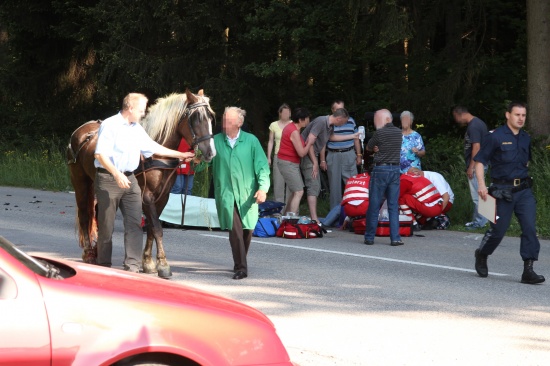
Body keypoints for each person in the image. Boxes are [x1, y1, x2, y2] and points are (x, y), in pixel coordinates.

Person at [94, 93, 194, 272]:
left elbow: (153, 147)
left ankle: (132, 267)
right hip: (109, 179)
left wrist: (182, 155)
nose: (143, 113)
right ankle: (104, 266)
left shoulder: (136, 128)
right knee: (106, 227)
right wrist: (117, 174)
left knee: (134, 225)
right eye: (141, 110)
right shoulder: (110, 125)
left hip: (130, 179)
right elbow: (100, 154)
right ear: (130, 108)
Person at [473, 101, 544, 285]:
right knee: (498, 231)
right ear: (508, 115)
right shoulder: (495, 137)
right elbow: (480, 161)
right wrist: (481, 185)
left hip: (523, 191)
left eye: (523, 115)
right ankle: (482, 254)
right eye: (517, 115)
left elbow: (525, 162)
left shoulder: (526, 138)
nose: (521, 118)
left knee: (529, 228)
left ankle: (528, 270)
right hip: (501, 192)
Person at [210, 106, 270, 280]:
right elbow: (202, 163)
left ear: (239, 123)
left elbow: (262, 167)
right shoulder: (216, 141)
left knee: (247, 230)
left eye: (228, 121)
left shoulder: (251, 141)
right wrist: (198, 158)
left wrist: (262, 188)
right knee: (235, 230)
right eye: (223, 120)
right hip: (226, 194)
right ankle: (241, 267)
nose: (224, 124)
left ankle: (239, 260)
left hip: (247, 194)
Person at [301, 108, 356, 222]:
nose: (343, 124)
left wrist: (353, 136)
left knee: (314, 186)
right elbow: (309, 141)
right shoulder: (321, 122)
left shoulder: (329, 126)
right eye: (344, 122)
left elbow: (332, 138)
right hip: (308, 155)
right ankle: (314, 219)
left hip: (312, 156)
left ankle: (312, 218)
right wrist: (315, 162)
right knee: (313, 186)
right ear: (339, 118)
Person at [363, 109, 404, 246]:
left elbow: (368, 148)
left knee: (374, 204)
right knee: (393, 205)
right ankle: (395, 238)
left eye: (377, 120)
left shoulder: (379, 133)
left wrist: (375, 149)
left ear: (387, 119)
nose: (376, 123)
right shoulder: (399, 133)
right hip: (395, 169)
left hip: (381, 169)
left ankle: (369, 237)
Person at [321, 100, 362, 209]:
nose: (341, 112)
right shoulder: (329, 123)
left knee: (353, 184)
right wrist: (322, 160)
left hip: (349, 154)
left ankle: (354, 211)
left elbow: (356, 139)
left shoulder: (351, 121)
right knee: (334, 188)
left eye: (343, 109)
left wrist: (359, 154)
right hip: (333, 155)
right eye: (338, 109)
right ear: (332, 110)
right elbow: (324, 142)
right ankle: (335, 215)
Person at [453, 106, 488, 229]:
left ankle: (480, 222)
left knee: (478, 195)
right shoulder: (478, 123)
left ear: (459, 114)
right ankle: (481, 220)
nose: (456, 120)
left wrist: (471, 167)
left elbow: (476, 147)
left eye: (455, 117)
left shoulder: (473, 126)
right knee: (482, 193)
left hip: (477, 165)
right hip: (481, 163)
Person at [277, 107, 315, 216]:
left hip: (288, 163)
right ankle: (291, 220)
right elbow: (302, 153)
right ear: (301, 120)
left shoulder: (292, 127)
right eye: (307, 118)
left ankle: (285, 218)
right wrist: (309, 142)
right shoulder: (293, 131)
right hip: (287, 163)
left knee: (295, 192)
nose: (308, 120)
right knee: (299, 191)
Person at [266, 104, 292, 203]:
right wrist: (269, 157)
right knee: (278, 183)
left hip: (290, 157)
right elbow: (271, 141)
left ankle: (290, 212)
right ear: (280, 113)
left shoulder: (293, 124)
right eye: (284, 112)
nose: (286, 114)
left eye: (288, 112)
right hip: (278, 155)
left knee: (291, 184)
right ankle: (278, 211)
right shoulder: (273, 125)